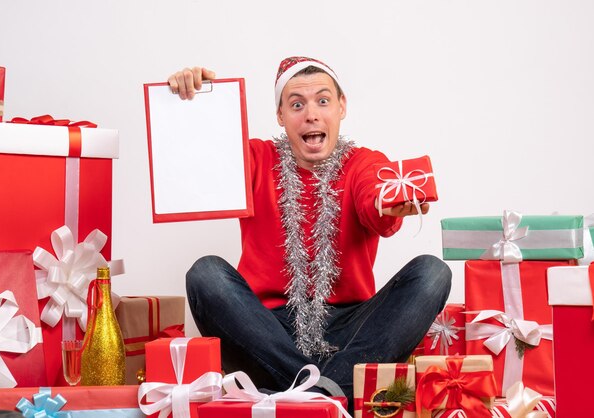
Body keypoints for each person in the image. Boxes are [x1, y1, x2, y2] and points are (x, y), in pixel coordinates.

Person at [170, 56, 452, 410]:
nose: (311, 114)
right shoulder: (255, 158)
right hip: (265, 329)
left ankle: (300, 397)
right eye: (297, 104)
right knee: (205, 273)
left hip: (349, 329)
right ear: (281, 117)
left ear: (341, 107)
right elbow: (205, 154)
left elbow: (372, 193)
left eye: (323, 100)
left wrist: (386, 203)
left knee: (432, 272)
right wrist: (193, 103)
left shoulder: (363, 162)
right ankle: (328, 396)